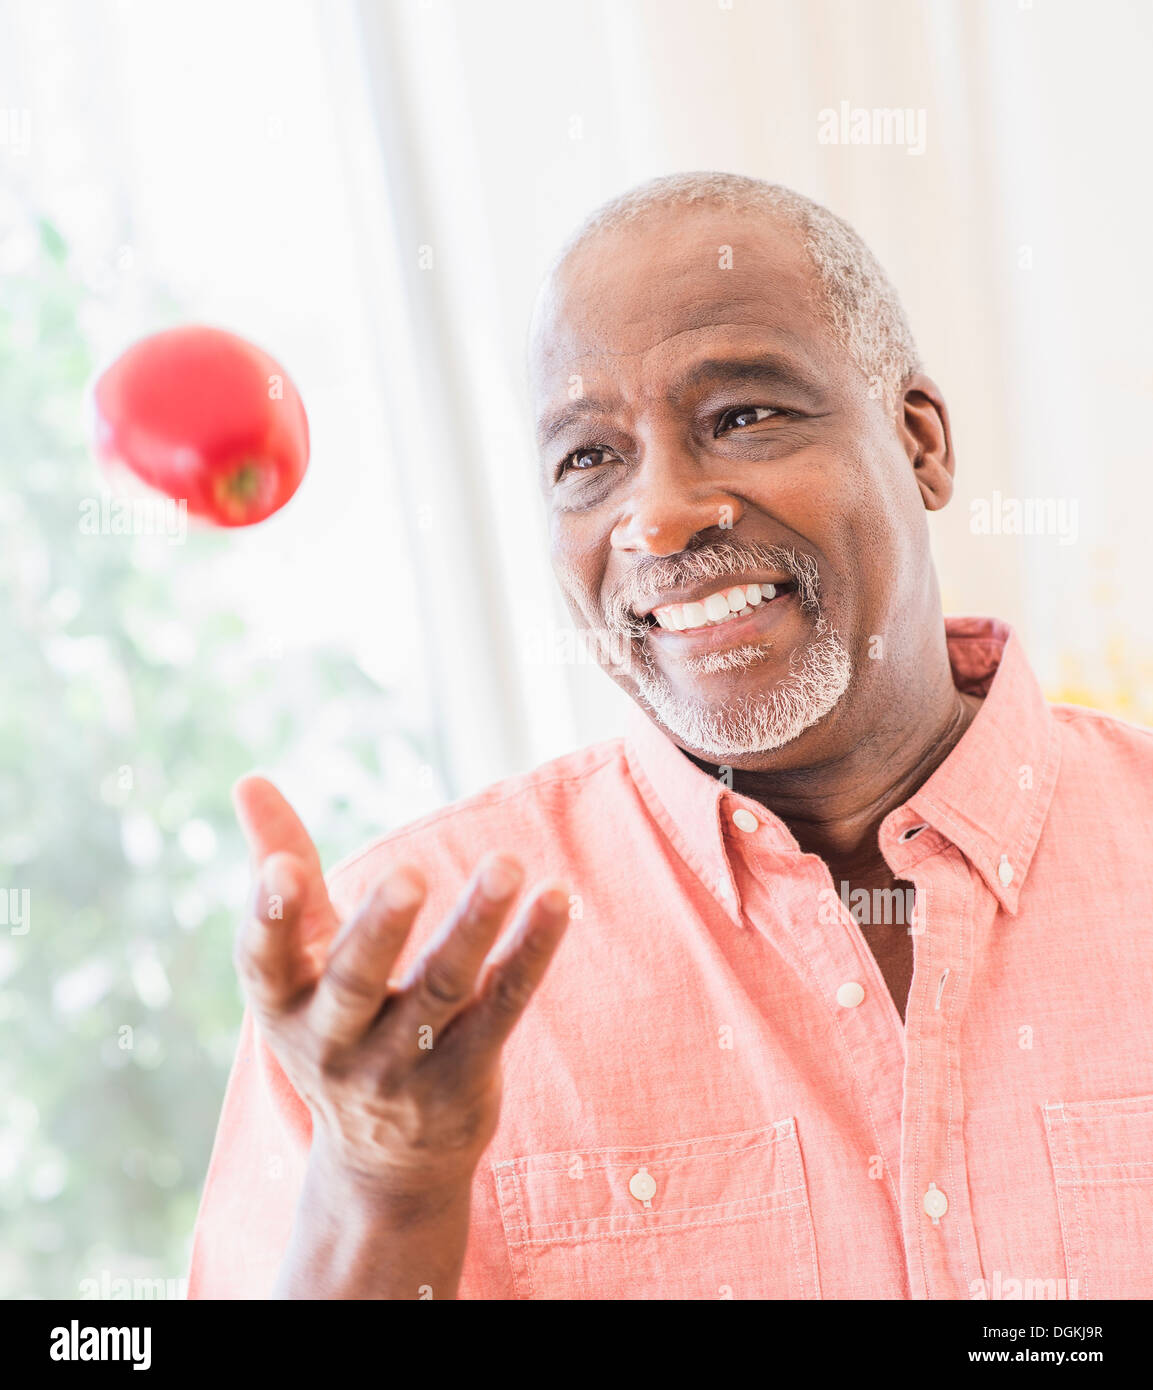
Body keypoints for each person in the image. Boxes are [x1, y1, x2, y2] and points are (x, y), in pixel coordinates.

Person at [188, 172, 1153, 1301]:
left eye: (741, 416)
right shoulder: (400, 976)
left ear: (920, 441)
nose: (658, 514)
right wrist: (382, 1192)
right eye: (588, 458)